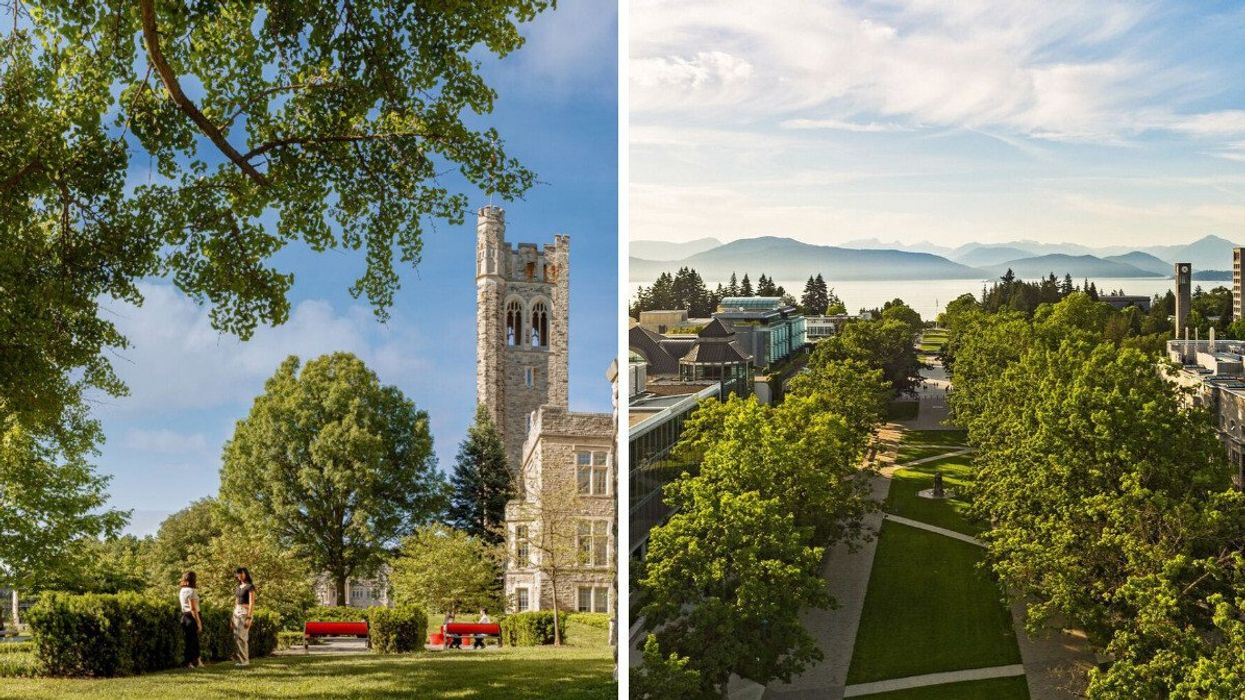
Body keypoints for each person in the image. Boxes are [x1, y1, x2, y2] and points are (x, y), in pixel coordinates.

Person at [179, 571, 203, 668]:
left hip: (184, 616)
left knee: (191, 640)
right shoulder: (191, 591)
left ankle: (197, 660)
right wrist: (199, 622)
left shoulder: (182, 590)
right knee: (192, 641)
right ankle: (189, 662)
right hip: (192, 616)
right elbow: (193, 608)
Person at [232, 567, 256, 667]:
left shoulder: (250, 587)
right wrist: (232, 617)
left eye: (241, 573)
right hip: (237, 613)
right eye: (237, 574)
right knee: (237, 637)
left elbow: (252, 603)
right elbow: (236, 602)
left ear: (245, 574)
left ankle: (245, 661)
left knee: (242, 637)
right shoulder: (238, 587)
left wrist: (249, 617)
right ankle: (241, 659)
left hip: (244, 613)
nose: (239, 576)